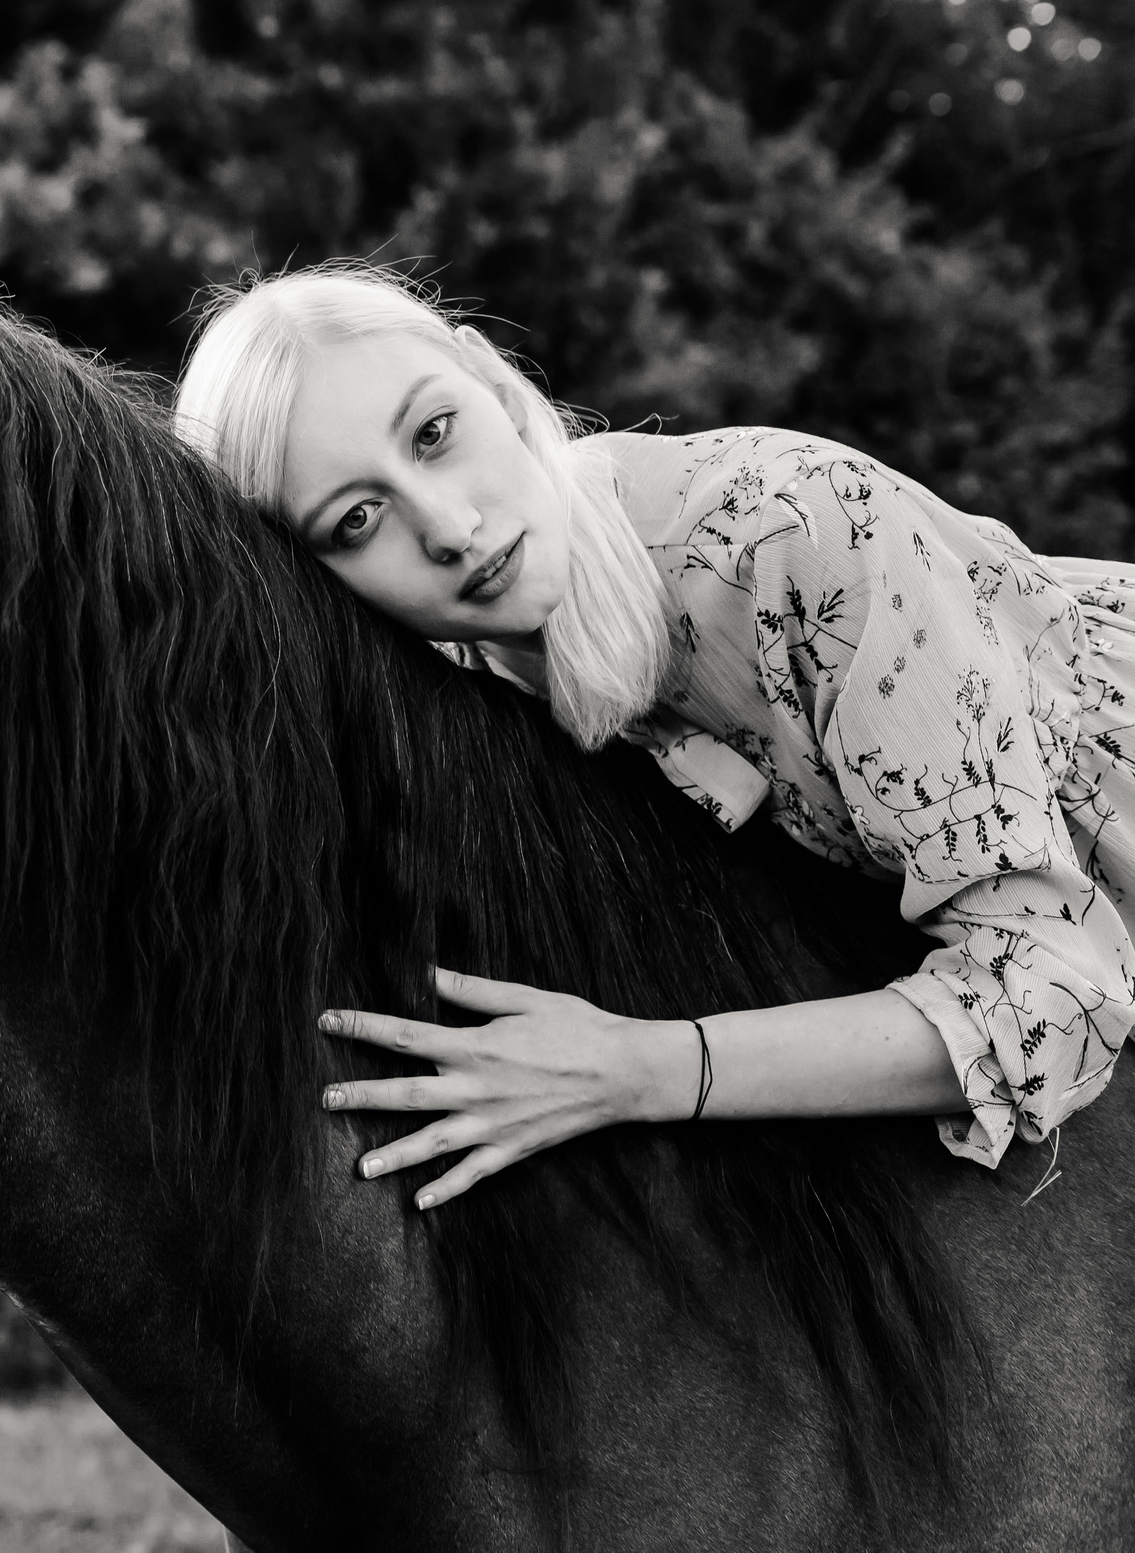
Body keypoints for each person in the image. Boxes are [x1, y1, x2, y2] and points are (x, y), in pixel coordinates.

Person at [173, 265, 1135, 1210]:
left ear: (496, 384)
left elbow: (1056, 992)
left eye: (433, 433)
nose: (451, 528)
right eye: (357, 520)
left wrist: (639, 1068)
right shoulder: (469, 686)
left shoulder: (796, 536)